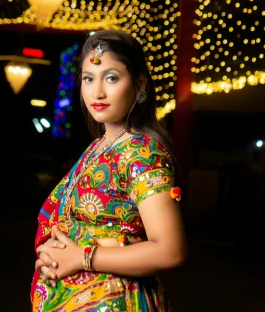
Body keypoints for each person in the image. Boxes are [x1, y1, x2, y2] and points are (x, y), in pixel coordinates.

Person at [31, 29, 188, 312]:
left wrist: (82, 258)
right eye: (89, 79)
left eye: (112, 77)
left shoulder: (142, 152)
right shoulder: (98, 147)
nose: (98, 92)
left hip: (116, 302)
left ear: (139, 84)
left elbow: (170, 250)